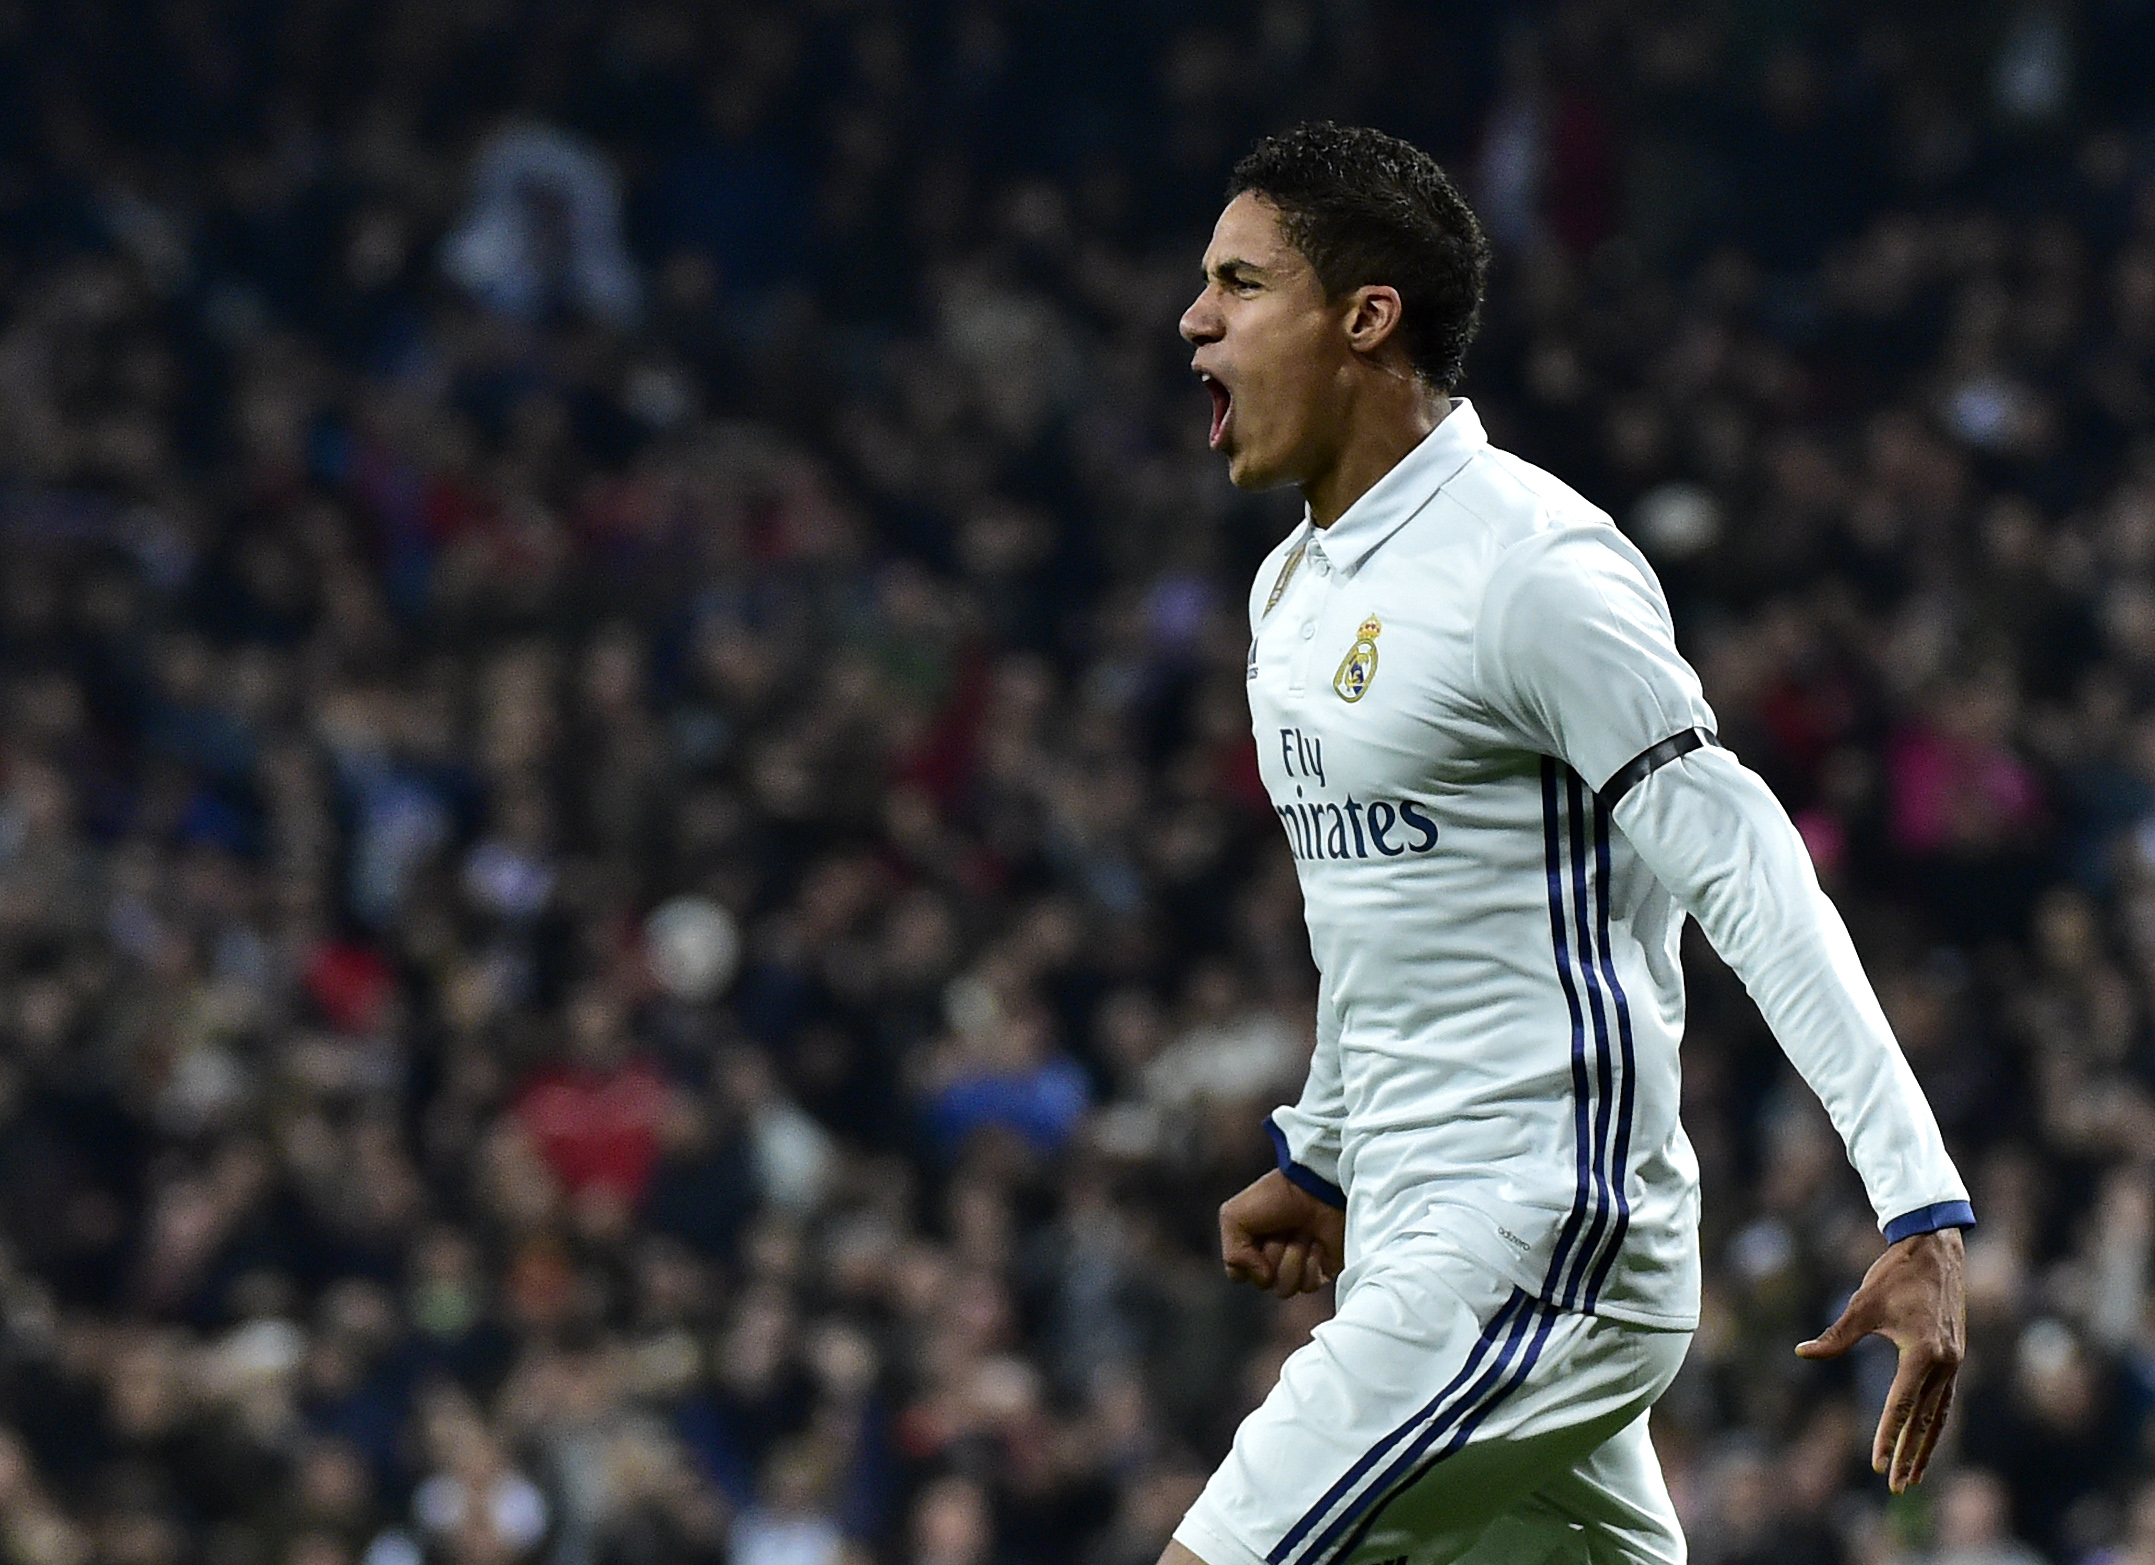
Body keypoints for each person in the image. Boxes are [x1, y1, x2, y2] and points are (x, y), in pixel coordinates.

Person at [1164, 122, 1971, 1565]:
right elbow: (1376, 912)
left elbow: (1742, 862)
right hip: (1423, 1233)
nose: (1196, 317)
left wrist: (1914, 1196)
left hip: (1539, 1234)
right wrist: (1329, 1151)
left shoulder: (1531, 569)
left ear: (1365, 320)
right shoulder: (1290, 591)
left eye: (1241, 281)